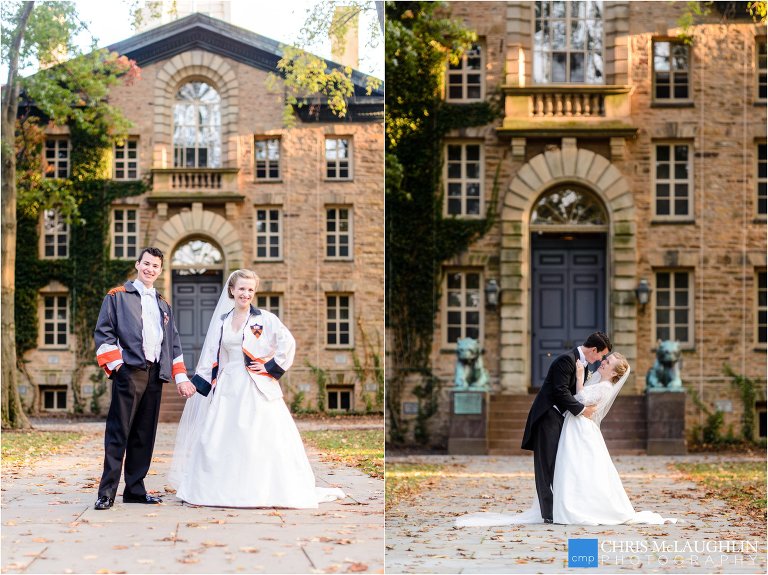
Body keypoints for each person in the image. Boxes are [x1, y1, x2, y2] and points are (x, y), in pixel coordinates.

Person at [169, 269, 345, 508]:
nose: (246, 294)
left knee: (262, 437)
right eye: (242, 288)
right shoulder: (222, 322)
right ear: (232, 290)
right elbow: (211, 354)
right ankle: (216, 489)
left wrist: (269, 366)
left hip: (256, 386)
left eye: (250, 289)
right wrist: (195, 384)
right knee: (219, 436)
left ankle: (264, 489)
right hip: (228, 386)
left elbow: (287, 343)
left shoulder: (266, 319)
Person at [456, 352, 675, 526]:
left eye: (608, 363)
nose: (604, 363)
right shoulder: (600, 382)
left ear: (615, 373)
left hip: (580, 429)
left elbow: (579, 398)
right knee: (573, 467)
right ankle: (571, 503)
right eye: (605, 359)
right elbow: (581, 401)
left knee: (575, 466)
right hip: (576, 426)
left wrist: (579, 378)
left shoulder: (604, 386)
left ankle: (577, 506)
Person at [94, 247, 192, 510]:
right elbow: (104, 333)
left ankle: (135, 489)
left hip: (155, 374)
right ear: (138, 265)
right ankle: (107, 492)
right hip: (129, 371)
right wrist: (118, 367)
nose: (150, 269)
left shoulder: (163, 305)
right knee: (119, 432)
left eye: (155, 266)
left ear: (160, 271)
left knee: (144, 434)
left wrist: (179, 375)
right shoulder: (116, 297)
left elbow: (173, 343)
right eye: (146, 264)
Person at [520, 332, 611, 523]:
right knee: (545, 466)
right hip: (547, 417)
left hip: (560, 418)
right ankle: (548, 514)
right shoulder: (566, 360)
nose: (601, 359)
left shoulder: (582, 365)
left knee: (558, 464)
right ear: (594, 350)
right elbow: (560, 391)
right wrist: (582, 410)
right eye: (601, 355)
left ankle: (559, 507)